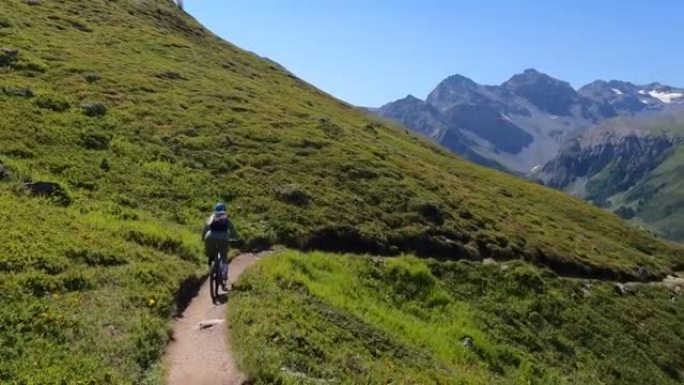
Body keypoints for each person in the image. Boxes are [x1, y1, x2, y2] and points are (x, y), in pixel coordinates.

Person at [202, 202, 238, 289]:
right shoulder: (225, 218)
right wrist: (234, 238)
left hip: (210, 237)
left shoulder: (212, 217)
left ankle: (211, 268)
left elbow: (205, 228)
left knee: (210, 254)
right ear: (224, 210)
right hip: (224, 238)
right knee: (224, 257)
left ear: (215, 209)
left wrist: (203, 238)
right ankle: (224, 276)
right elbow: (232, 230)